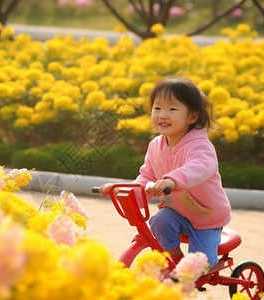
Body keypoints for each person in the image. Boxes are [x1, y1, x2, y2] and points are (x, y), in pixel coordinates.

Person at [99, 75, 231, 270]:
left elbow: (199, 167)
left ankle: (194, 269)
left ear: (192, 117)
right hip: (176, 211)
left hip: (206, 214)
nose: (162, 114)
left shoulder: (200, 145)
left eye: (172, 109)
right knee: (159, 222)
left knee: (200, 264)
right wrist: (123, 189)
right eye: (157, 108)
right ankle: (175, 260)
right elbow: (147, 177)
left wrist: (172, 180)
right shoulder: (155, 145)